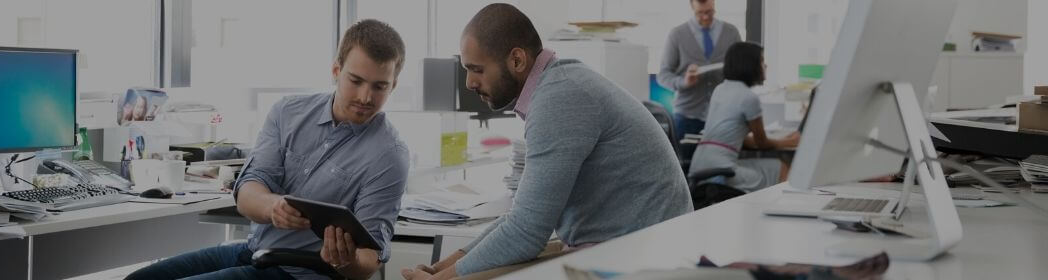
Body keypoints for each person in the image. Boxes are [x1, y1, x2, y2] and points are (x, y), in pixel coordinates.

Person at [401, 4, 690, 280]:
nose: (469, 83)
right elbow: (522, 219)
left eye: (476, 69)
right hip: (629, 246)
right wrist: (439, 269)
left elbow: (526, 233)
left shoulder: (559, 99)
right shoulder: (559, 85)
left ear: (516, 60)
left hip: (640, 257)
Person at [126, 19, 410, 280]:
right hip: (256, 252)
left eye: (379, 87)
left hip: (304, 274)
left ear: (393, 85)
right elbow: (248, 194)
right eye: (356, 81)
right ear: (336, 71)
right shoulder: (288, 112)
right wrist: (274, 207)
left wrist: (345, 261)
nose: (365, 97)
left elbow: (369, 262)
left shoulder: (389, 155)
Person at [688, 42, 799, 192]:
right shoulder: (749, 98)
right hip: (720, 172)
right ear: (750, 65)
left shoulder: (720, 89)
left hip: (699, 167)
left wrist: (783, 140)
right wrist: (789, 142)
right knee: (781, 168)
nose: (765, 66)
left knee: (766, 166)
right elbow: (762, 143)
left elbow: (737, 137)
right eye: (761, 61)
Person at [658, 0, 743, 160]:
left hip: (723, 115)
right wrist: (684, 82)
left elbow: (741, 70)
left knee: (720, 166)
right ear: (692, 6)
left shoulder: (731, 32)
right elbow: (663, 75)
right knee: (687, 168)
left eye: (710, 12)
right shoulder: (677, 34)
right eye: (700, 13)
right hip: (688, 116)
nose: (705, 17)